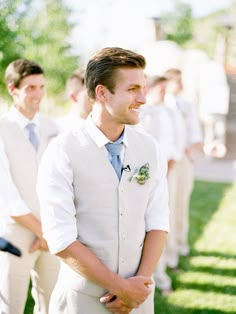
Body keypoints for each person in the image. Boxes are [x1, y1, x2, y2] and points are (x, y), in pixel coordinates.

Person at [37, 47, 170, 314]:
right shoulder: (62, 151)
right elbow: (60, 238)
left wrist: (137, 286)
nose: (143, 98)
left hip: (139, 300)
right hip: (82, 301)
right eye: (133, 89)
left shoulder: (150, 148)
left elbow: (157, 221)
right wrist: (120, 287)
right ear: (101, 92)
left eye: (143, 88)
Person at [0, 58, 60, 314]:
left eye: (41, 86)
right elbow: (5, 191)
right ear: (13, 89)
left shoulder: (52, 127)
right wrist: (40, 230)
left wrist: (50, 229)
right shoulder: (2, 128)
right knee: (10, 305)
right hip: (16, 230)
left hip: (52, 229)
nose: (38, 94)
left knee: (53, 304)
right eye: (30, 88)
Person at [139, 75, 177, 295]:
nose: (163, 94)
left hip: (164, 174)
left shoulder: (164, 112)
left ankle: (158, 274)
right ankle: (155, 276)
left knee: (160, 223)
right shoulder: (145, 114)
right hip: (150, 176)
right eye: (160, 90)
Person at [164, 68, 203, 268]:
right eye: (176, 81)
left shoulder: (186, 105)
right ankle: (169, 256)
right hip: (169, 162)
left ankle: (181, 245)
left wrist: (193, 147)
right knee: (169, 207)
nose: (180, 85)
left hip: (184, 160)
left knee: (182, 204)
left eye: (181, 81)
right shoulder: (161, 106)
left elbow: (194, 131)